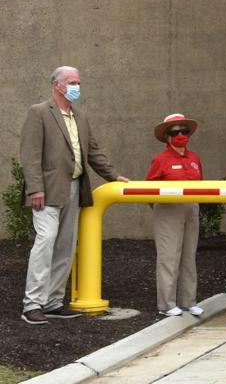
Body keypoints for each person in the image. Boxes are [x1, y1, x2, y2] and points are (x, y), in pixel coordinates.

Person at [21, 66, 129, 325]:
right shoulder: (39, 112)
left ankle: (52, 302)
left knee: (66, 246)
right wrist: (35, 187)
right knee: (46, 241)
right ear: (56, 85)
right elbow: (30, 153)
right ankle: (32, 304)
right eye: (72, 82)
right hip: (47, 190)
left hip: (73, 188)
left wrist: (113, 176)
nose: (77, 86)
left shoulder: (80, 115)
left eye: (78, 82)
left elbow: (93, 152)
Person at [145, 113, 203, 318]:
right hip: (169, 209)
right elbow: (149, 187)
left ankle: (189, 301)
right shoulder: (161, 159)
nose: (180, 134)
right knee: (169, 256)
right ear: (167, 136)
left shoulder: (194, 158)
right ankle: (166, 303)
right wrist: (160, 208)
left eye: (184, 130)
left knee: (189, 256)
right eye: (175, 131)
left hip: (191, 208)